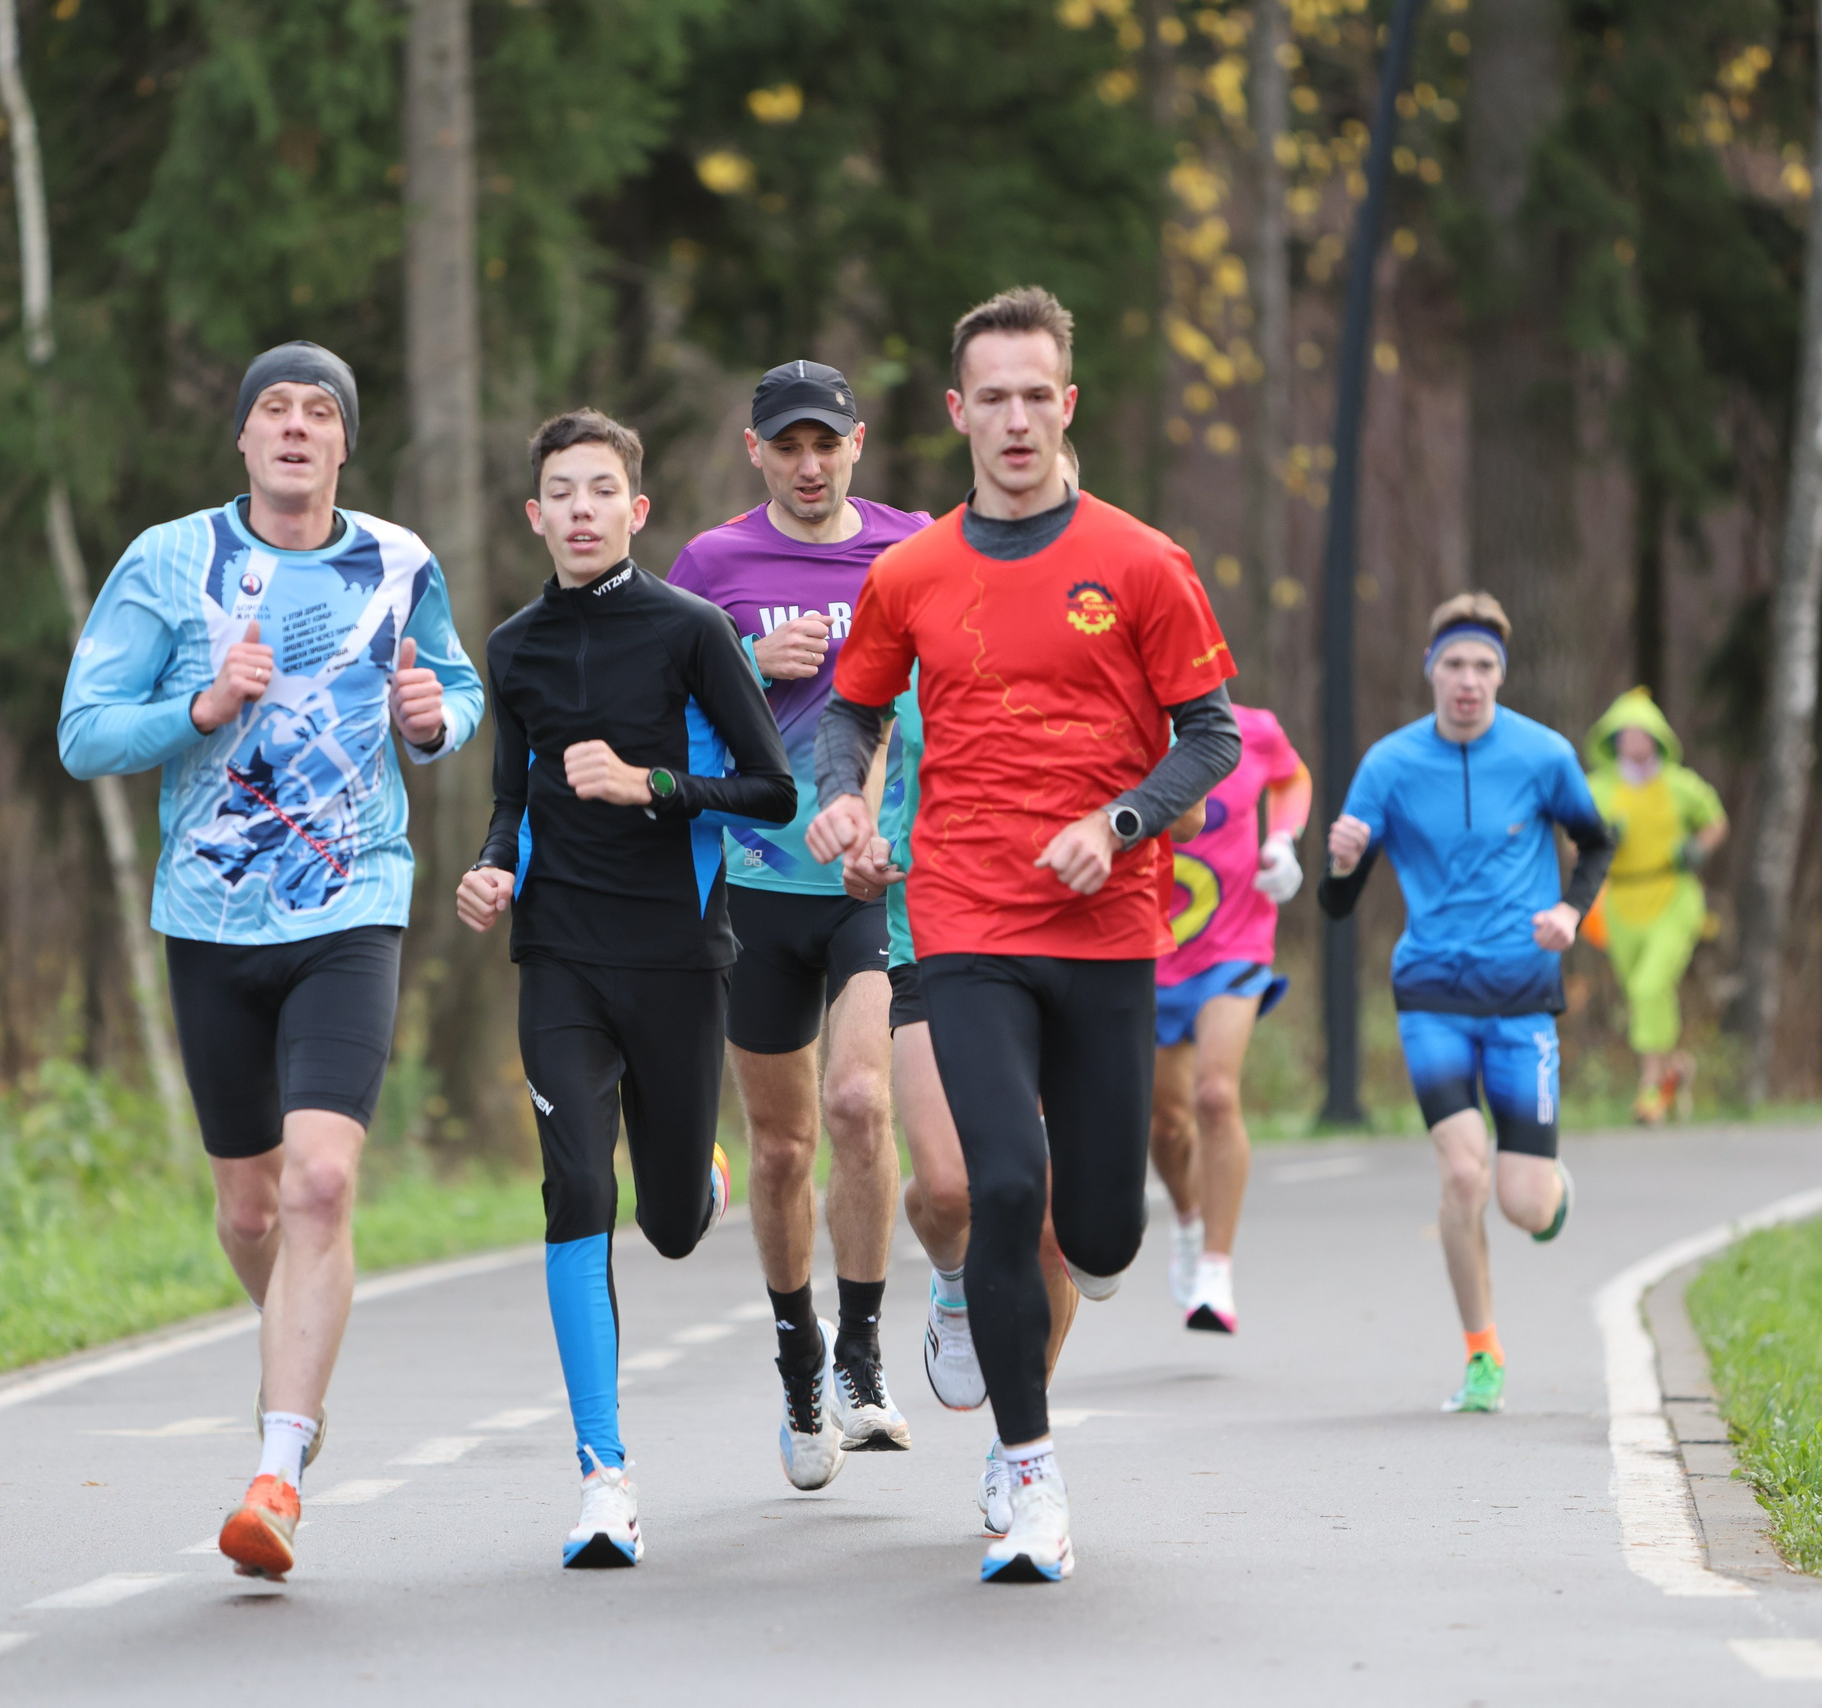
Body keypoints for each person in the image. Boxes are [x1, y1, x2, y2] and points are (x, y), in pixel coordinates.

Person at [808, 287, 1242, 1583]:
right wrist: (844, 792)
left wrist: (1119, 821)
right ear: (957, 414)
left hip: (1106, 927)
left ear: (1067, 405)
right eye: (987, 396)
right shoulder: (913, 572)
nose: (1011, 417)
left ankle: (1068, 1306)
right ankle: (1030, 1472)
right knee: (999, 1188)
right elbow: (855, 708)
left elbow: (1210, 738)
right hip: (965, 918)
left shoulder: (1144, 562)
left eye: (1032, 394)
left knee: (1097, 1233)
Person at [58, 341, 485, 1581]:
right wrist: (197, 709)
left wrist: (437, 721)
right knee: (249, 1206)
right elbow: (86, 734)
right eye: (273, 411)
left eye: (320, 412)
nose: (296, 428)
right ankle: (301, 1358)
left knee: (320, 1186)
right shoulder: (169, 561)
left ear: (345, 442)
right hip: (210, 919)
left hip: (352, 902)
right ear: (242, 440)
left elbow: (453, 683)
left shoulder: (399, 560)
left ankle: (278, 1465)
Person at [456, 408, 795, 1569]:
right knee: (570, 1190)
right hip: (558, 956)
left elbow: (771, 790)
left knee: (671, 1225)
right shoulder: (512, 649)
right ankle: (604, 1476)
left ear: (635, 510)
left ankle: (695, 1171)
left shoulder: (692, 630)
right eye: (564, 490)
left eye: (604, 489)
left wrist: (651, 784)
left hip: (675, 956)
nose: (584, 508)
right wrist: (496, 867)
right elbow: (510, 792)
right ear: (535, 513)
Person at [666, 361, 929, 1488]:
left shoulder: (914, 548)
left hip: (879, 878)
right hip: (755, 885)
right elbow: (653, 715)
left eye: (827, 442)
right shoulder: (710, 567)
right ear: (754, 450)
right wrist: (736, 664)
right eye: (788, 445)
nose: (809, 464)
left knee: (860, 1101)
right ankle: (798, 1355)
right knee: (779, 1149)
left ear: (858, 444)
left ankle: (865, 1353)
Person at [1318, 592, 1613, 1416]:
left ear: (1501, 676)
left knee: (1525, 1203)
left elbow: (1595, 842)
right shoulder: (1390, 764)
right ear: (1430, 672)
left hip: (1523, 1000)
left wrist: (1570, 913)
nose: (1469, 681)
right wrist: (1342, 863)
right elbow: (1339, 907)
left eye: (1484, 666)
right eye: (1454, 664)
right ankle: (1482, 1353)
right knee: (1460, 1172)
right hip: (1432, 997)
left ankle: (1551, 1191)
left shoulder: (1543, 753)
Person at [1149, 705, 1311, 1334]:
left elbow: (1292, 777)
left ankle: (1215, 1269)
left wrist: (1282, 839)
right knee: (1166, 1127)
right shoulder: (1119, 720)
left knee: (1216, 1094)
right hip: (1151, 949)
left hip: (1235, 943)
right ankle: (1189, 1221)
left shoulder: (1256, 728)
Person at [1581, 688, 1727, 1124]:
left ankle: (1649, 1091)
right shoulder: (1597, 790)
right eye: (1625, 735)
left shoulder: (1680, 785)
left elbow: (1716, 822)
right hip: (1622, 902)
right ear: (1613, 741)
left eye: (1642, 734)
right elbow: (1575, 845)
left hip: (1673, 896)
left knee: (1649, 986)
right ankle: (1672, 1072)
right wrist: (1601, 841)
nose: (1634, 742)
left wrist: (1696, 849)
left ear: (1658, 739)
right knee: (1645, 994)